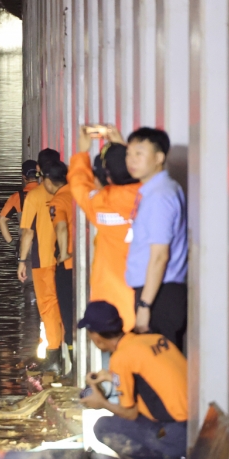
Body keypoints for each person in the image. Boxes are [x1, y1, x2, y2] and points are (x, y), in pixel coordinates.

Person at [78, 301, 187, 459]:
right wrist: (110, 377)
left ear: (96, 337)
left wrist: (101, 403)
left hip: (175, 435)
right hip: (196, 423)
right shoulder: (152, 339)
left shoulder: (121, 358)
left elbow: (130, 413)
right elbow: (153, 380)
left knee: (103, 426)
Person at [69, 125, 141, 332]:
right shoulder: (153, 194)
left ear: (107, 178)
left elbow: (79, 184)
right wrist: (121, 147)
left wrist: (82, 153)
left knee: (115, 359)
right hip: (152, 299)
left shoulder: (102, 203)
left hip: (114, 304)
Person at [125, 128, 187, 349]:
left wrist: (144, 305)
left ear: (159, 158)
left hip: (159, 294)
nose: (131, 160)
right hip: (157, 291)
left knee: (159, 372)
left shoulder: (160, 196)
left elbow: (160, 256)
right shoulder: (154, 191)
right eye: (129, 153)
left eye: (139, 153)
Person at [18, 148, 64, 375]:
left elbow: (27, 233)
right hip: (65, 259)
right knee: (63, 305)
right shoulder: (67, 192)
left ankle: (54, 355)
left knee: (47, 307)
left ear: (39, 170)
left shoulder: (34, 196)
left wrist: (21, 261)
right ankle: (63, 352)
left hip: (42, 259)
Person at [43, 162, 74, 363]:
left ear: (47, 180)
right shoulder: (78, 193)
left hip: (68, 265)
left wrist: (63, 253)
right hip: (87, 263)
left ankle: (72, 356)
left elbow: (61, 228)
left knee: (67, 312)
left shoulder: (58, 200)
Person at [0, 160, 39, 302]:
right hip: (48, 243)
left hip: (26, 246)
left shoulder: (18, 197)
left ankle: (31, 316)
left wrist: (12, 242)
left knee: (29, 283)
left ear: (23, 176)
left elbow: (2, 221)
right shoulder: (48, 193)